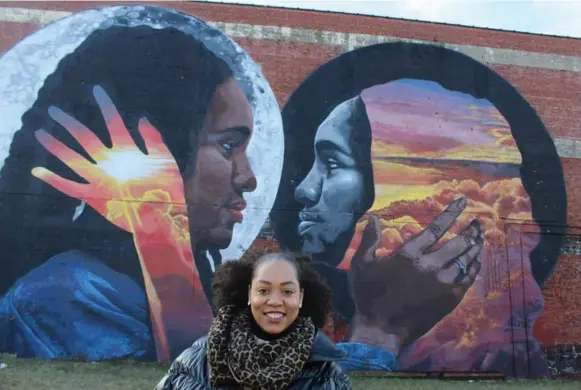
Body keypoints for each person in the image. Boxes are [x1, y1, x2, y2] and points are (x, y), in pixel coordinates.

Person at [0, 24, 256, 362]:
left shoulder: (177, 280)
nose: (249, 178)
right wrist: (163, 242)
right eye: (228, 145)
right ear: (142, 148)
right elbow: (205, 375)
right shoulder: (68, 296)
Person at [155, 252, 352, 390]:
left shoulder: (326, 375)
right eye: (264, 290)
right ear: (249, 293)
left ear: (301, 298)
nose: (275, 301)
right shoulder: (196, 360)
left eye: (287, 292)